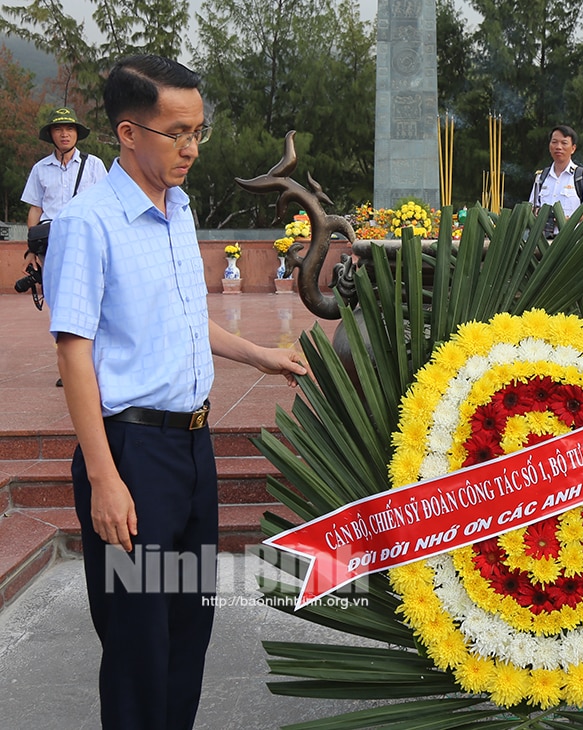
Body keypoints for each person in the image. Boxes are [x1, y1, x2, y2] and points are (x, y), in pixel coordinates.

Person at [42, 55, 307, 730]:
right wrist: (104, 477)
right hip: (132, 453)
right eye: (176, 131)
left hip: (193, 449)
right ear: (128, 133)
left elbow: (186, 316)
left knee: (189, 631)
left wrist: (261, 356)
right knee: (139, 645)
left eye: (198, 131)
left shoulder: (178, 210)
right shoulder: (88, 221)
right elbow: (74, 352)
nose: (191, 147)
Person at [21, 106, 107, 267]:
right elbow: (36, 209)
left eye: (70, 128)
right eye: (58, 129)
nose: (64, 134)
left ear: (77, 133)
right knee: (52, 289)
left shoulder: (94, 165)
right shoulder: (40, 168)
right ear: (51, 135)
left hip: (85, 238)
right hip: (50, 240)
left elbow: (106, 205)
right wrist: (32, 248)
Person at [529, 125, 583, 236]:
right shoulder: (541, 177)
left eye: (564, 143)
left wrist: (568, 220)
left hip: (571, 240)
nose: (558, 147)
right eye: (554, 142)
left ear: (573, 148)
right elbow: (531, 207)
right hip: (541, 241)